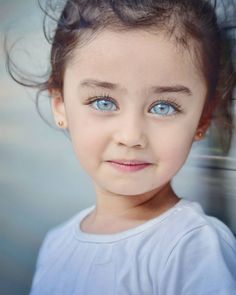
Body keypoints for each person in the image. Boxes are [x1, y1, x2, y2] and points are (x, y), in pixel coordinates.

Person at [9, 0, 236, 294]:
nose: (131, 136)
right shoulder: (56, 243)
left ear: (203, 118)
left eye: (163, 107)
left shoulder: (193, 248)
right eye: (103, 102)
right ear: (60, 105)